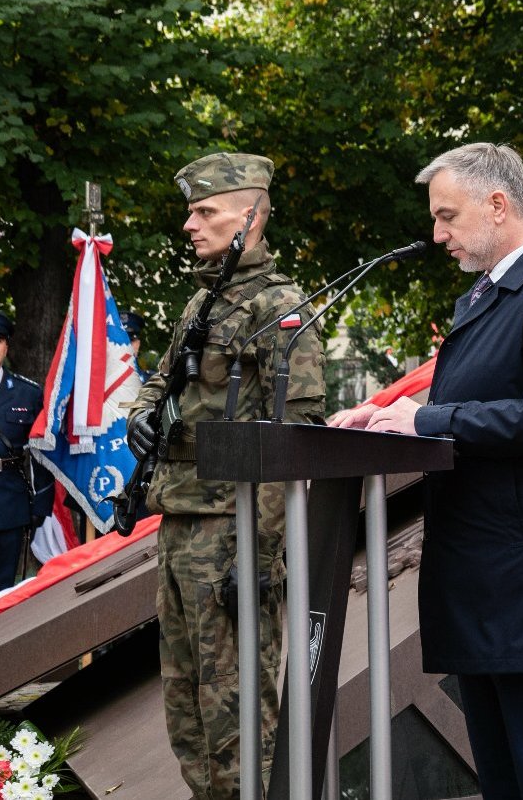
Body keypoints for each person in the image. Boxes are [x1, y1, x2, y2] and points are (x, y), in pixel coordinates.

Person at [331, 142, 523, 799]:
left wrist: (425, 422)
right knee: (501, 773)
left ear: (497, 204)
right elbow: (480, 405)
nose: (437, 234)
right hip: (483, 567)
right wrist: (389, 415)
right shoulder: (489, 297)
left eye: (447, 216)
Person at [125, 153, 326, 800]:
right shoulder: (203, 301)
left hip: (234, 528)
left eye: (205, 211)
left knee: (238, 711)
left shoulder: (281, 308)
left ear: (251, 216)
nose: (190, 223)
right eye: (191, 210)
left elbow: (291, 441)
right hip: (180, 517)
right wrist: (141, 414)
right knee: (185, 704)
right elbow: (160, 381)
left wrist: (260, 551)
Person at [0, 311, 52, 591]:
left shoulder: (27, 394)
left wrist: (41, 504)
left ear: (7, 346)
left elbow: (42, 453)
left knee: (4, 587)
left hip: (8, 501)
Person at [119, 310, 151, 382]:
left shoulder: (151, 383)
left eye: (130, 341)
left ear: (137, 344)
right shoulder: (94, 381)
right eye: (120, 341)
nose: (125, 345)